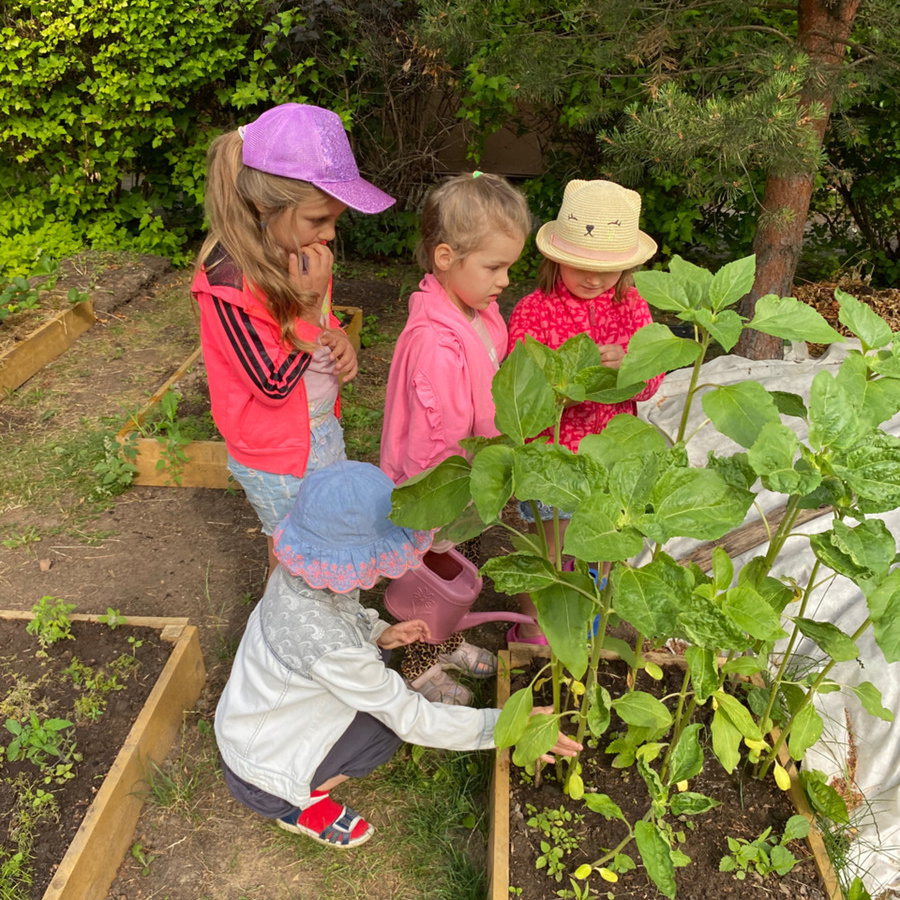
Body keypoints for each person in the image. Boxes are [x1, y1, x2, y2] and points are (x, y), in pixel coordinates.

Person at [215, 460, 581, 848]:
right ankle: (297, 803)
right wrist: (508, 727)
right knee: (385, 727)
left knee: (380, 673)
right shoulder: (331, 649)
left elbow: (338, 615)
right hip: (262, 775)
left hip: (247, 728)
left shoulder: (296, 575)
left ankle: (297, 780)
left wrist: (379, 632)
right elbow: (413, 719)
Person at [191, 103, 395, 578]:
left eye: (335, 220)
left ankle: (323, 631)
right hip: (278, 456)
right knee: (296, 556)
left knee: (322, 538)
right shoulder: (227, 283)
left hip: (319, 431)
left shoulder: (294, 253)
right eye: (318, 219)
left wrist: (336, 336)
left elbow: (317, 326)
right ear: (266, 205)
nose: (328, 235)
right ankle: (288, 638)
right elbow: (273, 383)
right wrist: (305, 312)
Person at [380, 172, 532, 703]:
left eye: (509, 266)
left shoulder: (478, 311)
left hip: (470, 481)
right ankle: (420, 665)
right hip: (439, 489)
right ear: (446, 257)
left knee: (458, 569)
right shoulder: (436, 345)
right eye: (494, 267)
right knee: (432, 579)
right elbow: (434, 440)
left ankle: (449, 640)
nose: (505, 280)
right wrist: (440, 511)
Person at [505, 179, 664, 643]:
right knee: (551, 550)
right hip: (554, 456)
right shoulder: (534, 311)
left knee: (603, 544)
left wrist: (630, 368)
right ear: (555, 256)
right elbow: (524, 392)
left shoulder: (632, 307)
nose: (594, 279)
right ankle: (539, 631)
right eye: (581, 266)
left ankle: (589, 626)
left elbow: (652, 379)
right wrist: (572, 387)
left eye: (609, 270)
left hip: (611, 455)